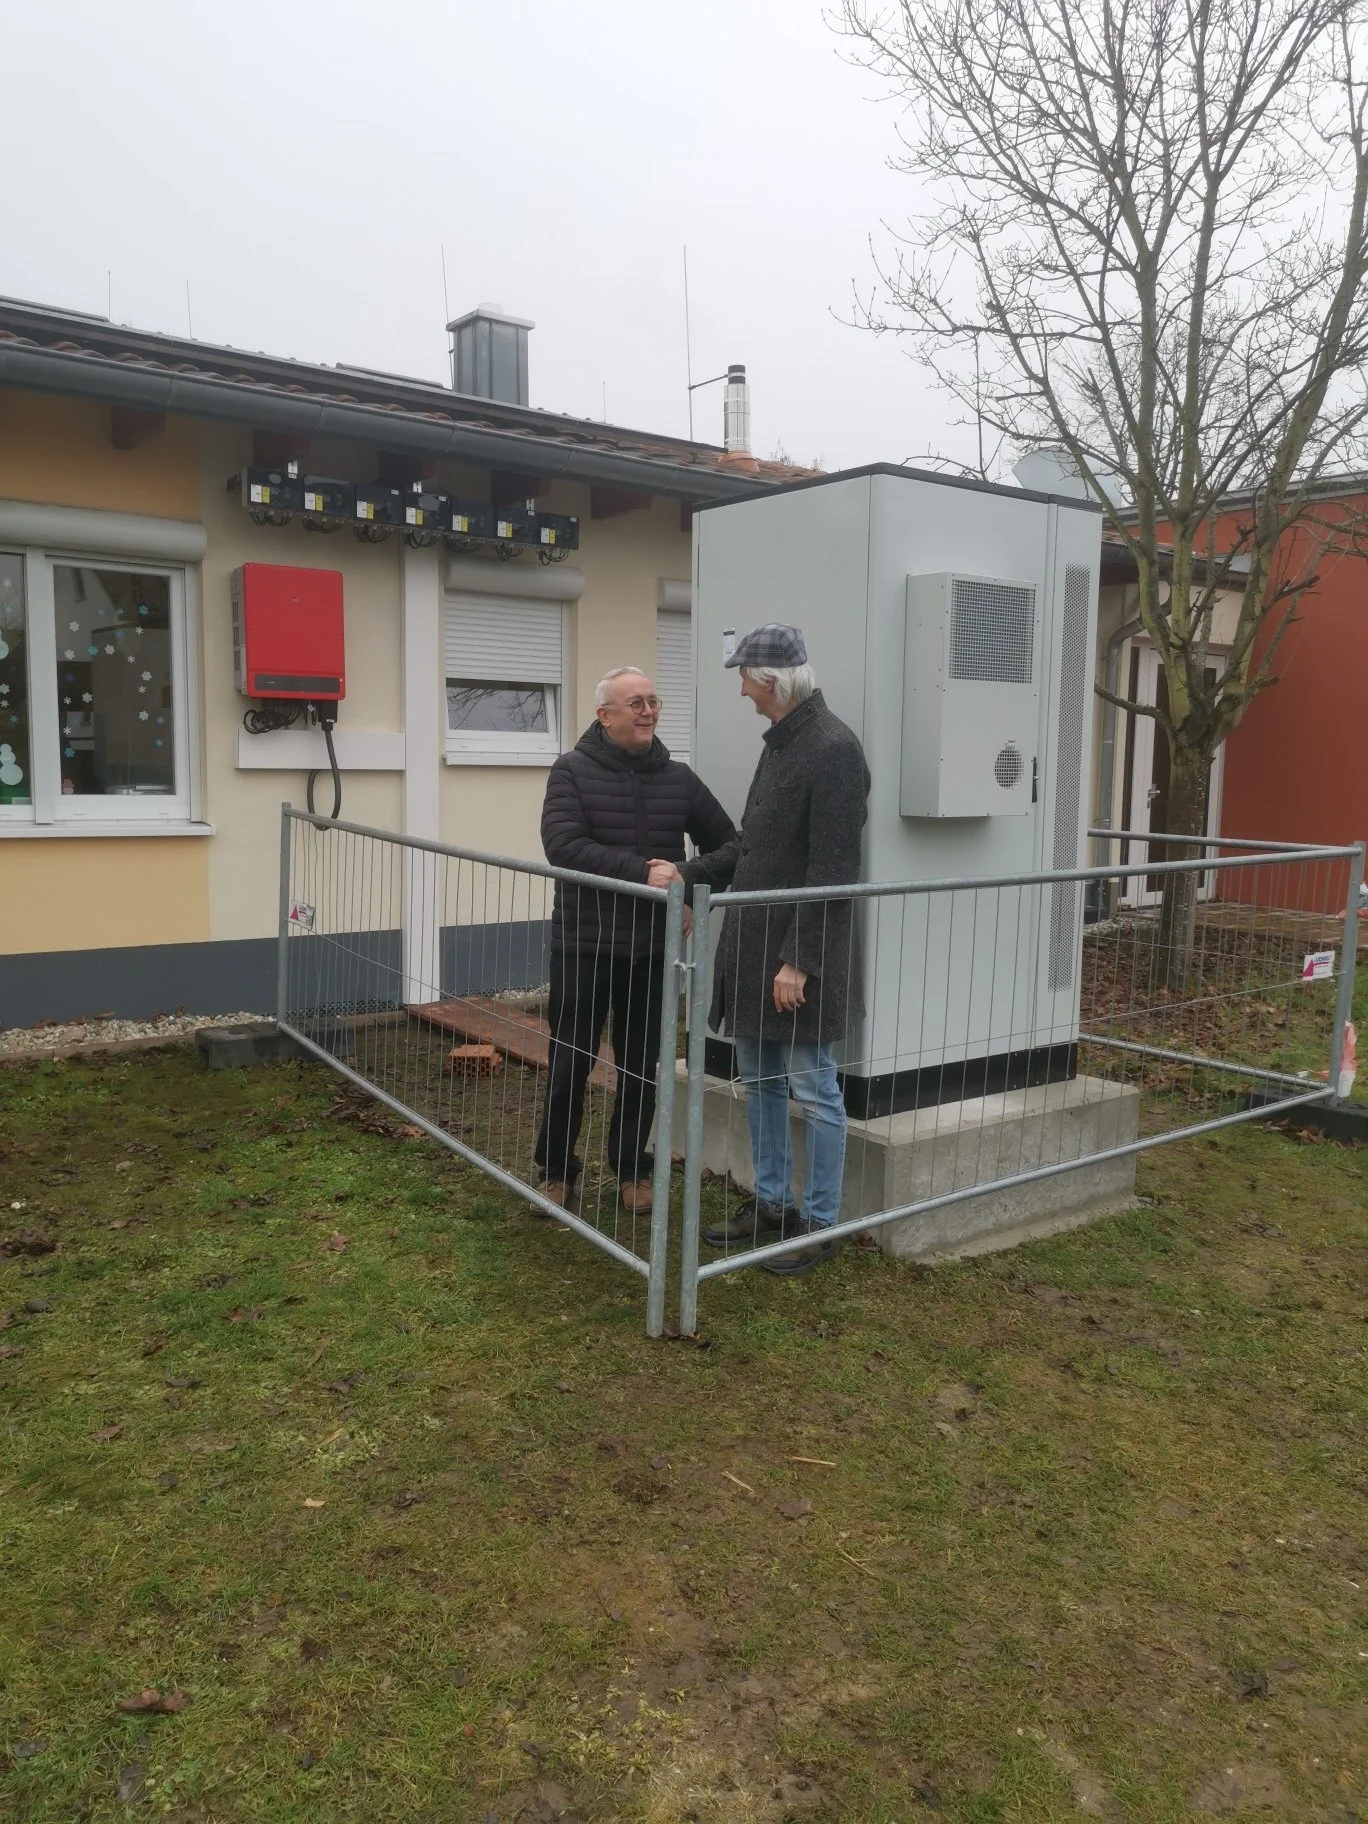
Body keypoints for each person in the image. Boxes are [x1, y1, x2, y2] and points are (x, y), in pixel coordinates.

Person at [684, 624, 870, 1275]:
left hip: (796, 958)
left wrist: (800, 962)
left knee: (813, 1088)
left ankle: (819, 1223)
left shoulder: (834, 749)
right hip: (754, 948)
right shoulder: (784, 743)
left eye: (744, 677)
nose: (741, 690)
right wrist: (689, 875)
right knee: (760, 1080)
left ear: (771, 680)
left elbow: (833, 869)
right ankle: (772, 1205)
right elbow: (754, 847)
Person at [536, 666, 735, 1213]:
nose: (648, 712)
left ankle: (632, 1169)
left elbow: (730, 845)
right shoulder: (571, 771)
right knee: (570, 1060)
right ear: (605, 716)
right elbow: (563, 845)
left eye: (653, 702)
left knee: (642, 1064)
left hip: (651, 948)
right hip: (585, 943)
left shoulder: (679, 778)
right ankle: (555, 1170)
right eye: (636, 703)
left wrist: (689, 883)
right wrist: (643, 872)